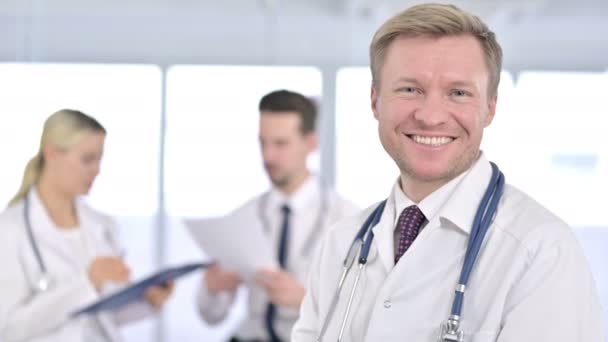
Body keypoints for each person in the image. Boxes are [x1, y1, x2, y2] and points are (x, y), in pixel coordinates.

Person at [292, 3, 605, 342]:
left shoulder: (541, 251)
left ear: (490, 108)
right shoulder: (342, 244)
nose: (430, 116)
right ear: (374, 100)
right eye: (410, 89)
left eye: (458, 93)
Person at [197, 90, 358, 342]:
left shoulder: (347, 219)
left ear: (311, 143)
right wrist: (213, 289)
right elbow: (210, 316)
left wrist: (305, 301)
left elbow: (361, 317)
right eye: (263, 143)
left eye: (280, 144)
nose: (267, 156)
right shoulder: (244, 217)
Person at [0, 109, 174, 342]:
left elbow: (104, 317)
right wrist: (88, 282)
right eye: (87, 159)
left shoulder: (103, 226)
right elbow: (9, 329)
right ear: (51, 152)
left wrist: (147, 301)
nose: (96, 169)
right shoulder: (10, 229)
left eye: (99, 159)